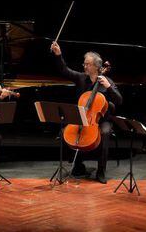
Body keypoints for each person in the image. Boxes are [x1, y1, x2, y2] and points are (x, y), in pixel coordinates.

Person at [50, 41, 123, 184]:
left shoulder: (107, 81)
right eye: (84, 63)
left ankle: (101, 172)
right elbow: (65, 70)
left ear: (96, 66)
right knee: (66, 132)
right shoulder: (81, 78)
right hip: (82, 117)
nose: (84, 66)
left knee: (105, 133)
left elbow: (119, 100)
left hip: (102, 120)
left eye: (87, 64)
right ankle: (78, 166)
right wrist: (58, 55)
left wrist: (109, 87)